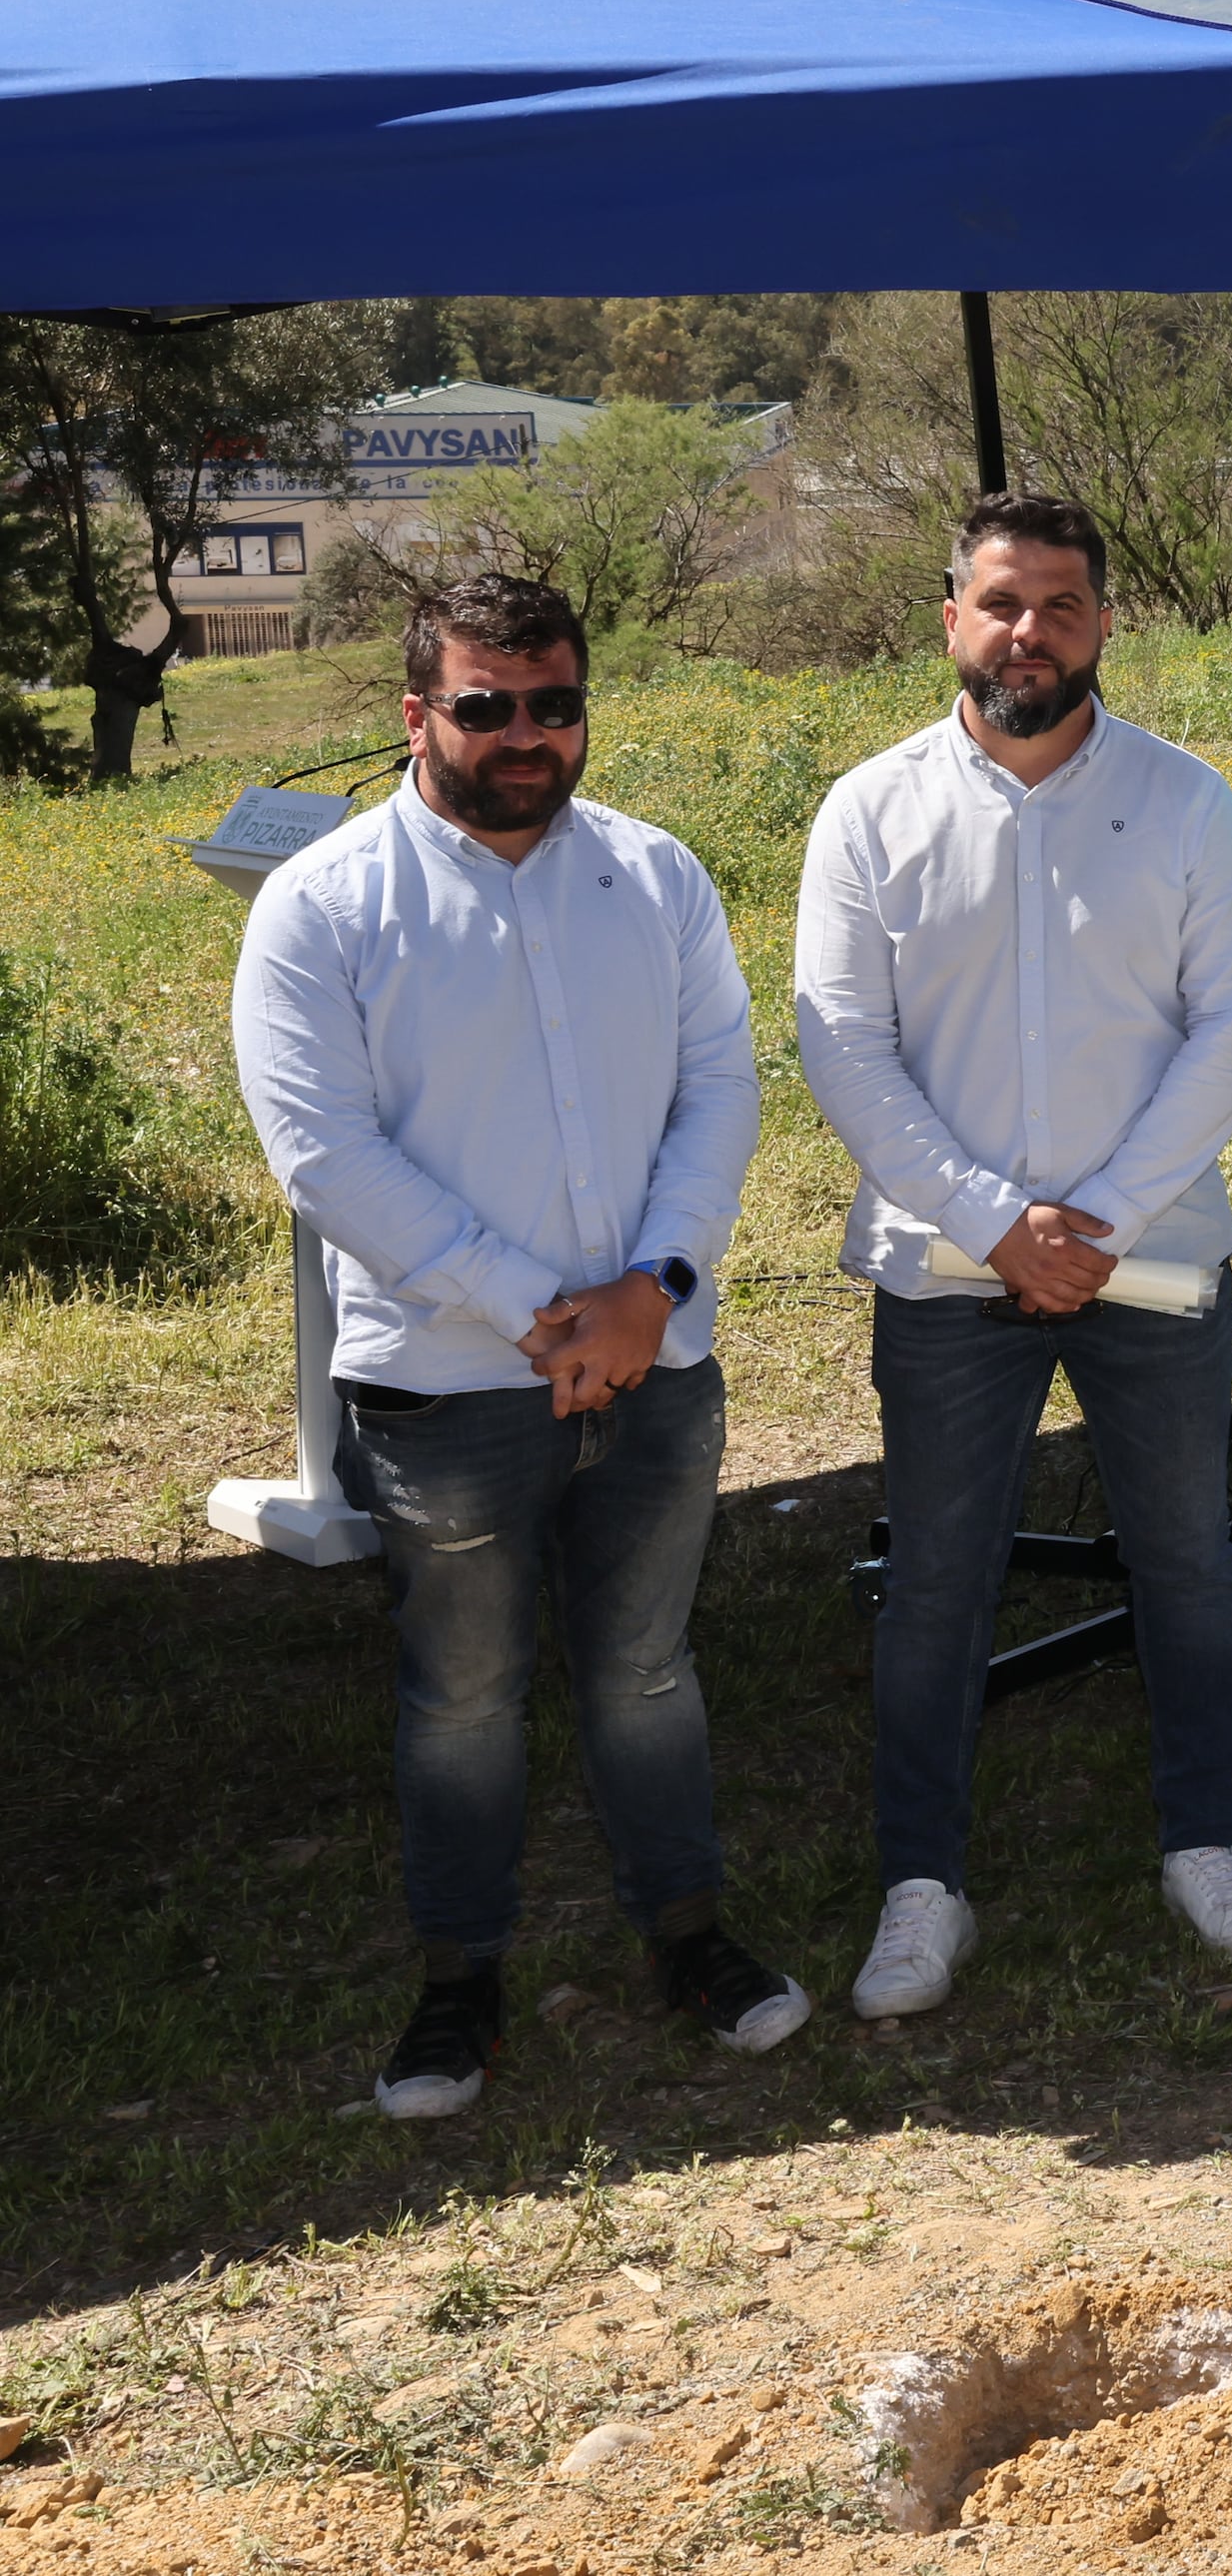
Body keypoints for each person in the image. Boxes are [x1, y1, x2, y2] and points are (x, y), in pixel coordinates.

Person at [230, 576, 801, 2118]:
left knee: (645, 1671)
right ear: (416, 713)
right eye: (488, 705)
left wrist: (654, 1292)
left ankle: (689, 1940)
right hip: (445, 1387)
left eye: (555, 703)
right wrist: (545, 1314)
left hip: (657, 1364)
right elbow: (325, 1155)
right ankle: (457, 1986)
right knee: (465, 1699)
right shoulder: (326, 906)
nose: (528, 735)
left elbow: (719, 1093)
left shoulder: (657, 877)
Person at [793, 491, 1232, 2022]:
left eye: (1062, 603)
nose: (1031, 631)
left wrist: (1105, 1220)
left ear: (1103, 624)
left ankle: (1204, 1837)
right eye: (1002, 602)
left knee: (1190, 1559)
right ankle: (921, 1883)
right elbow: (844, 1048)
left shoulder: (1189, 801)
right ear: (951, 617)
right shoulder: (867, 813)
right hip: (950, 1272)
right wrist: (997, 1221)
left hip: (1147, 1266)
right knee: (938, 1575)